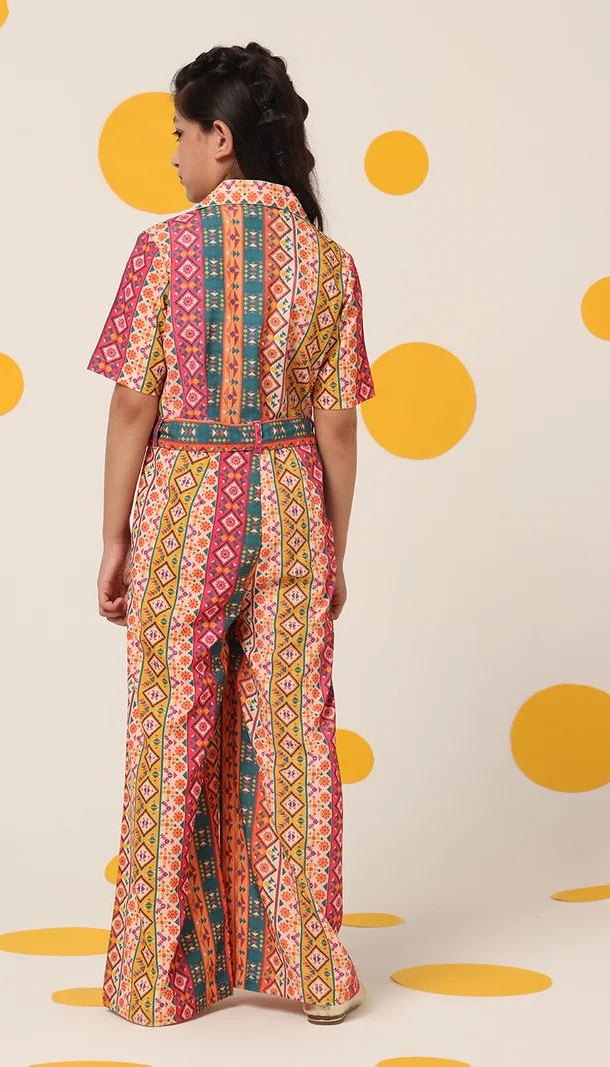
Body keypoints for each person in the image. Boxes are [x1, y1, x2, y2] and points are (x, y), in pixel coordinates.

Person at [87, 41, 375, 1028]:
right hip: (291, 504)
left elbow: (134, 405)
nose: (171, 154)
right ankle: (316, 972)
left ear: (220, 137)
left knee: (169, 727)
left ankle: (154, 976)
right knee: (293, 735)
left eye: (179, 132)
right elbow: (339, 425)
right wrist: (332, 544)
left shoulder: (163, 250)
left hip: (185, 506)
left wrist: (114, 533)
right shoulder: (329, 264)